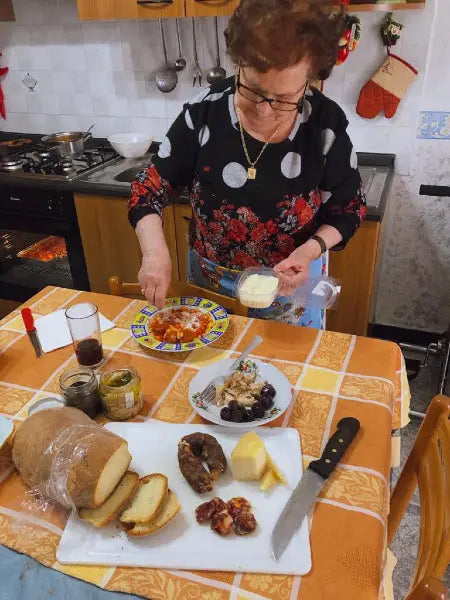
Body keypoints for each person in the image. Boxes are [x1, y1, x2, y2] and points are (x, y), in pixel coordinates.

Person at [128, 0, 366, 328]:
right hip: (211, 287)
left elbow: (348, 208)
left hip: (289, 290)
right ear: (238, 63)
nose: (265, 110)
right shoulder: (204, 113)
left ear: (310, 78)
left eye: (283, 99)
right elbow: (148, 188)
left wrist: (309, 252)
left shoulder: (324, 124)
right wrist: (154, 251)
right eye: (252, 90)